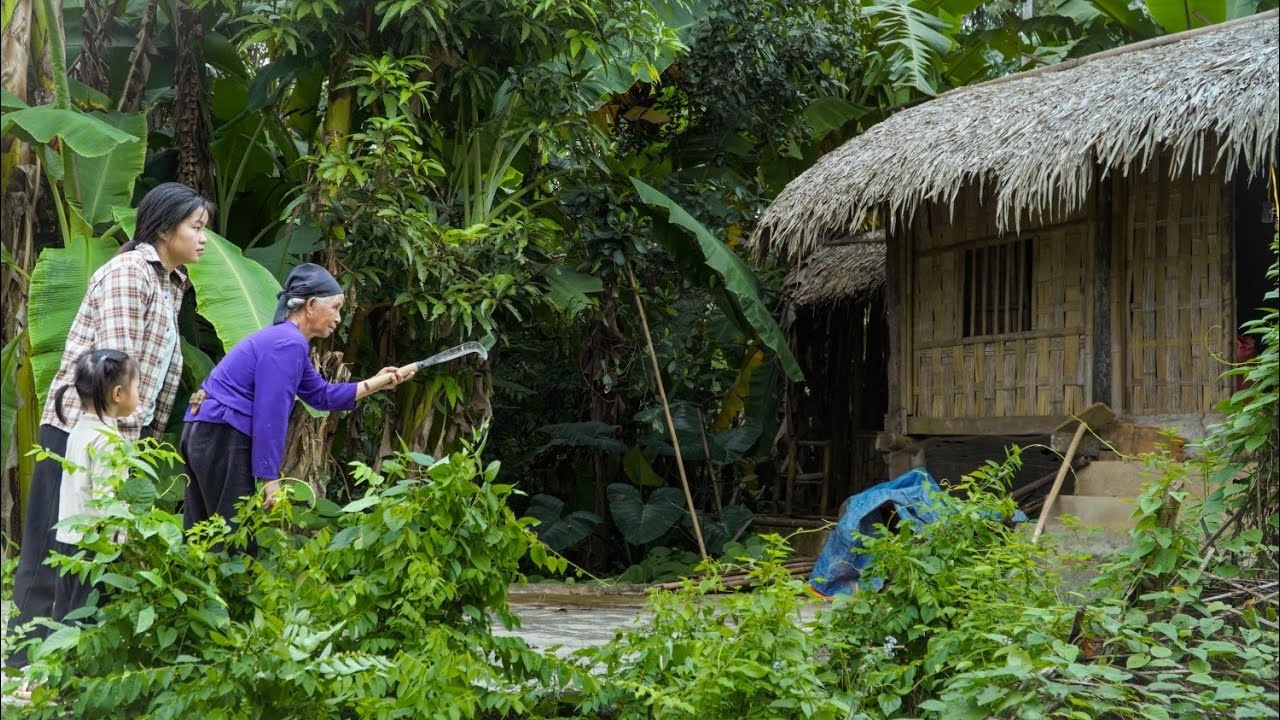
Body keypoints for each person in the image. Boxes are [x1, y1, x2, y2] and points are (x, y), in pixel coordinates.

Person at [5, 182, 213, 669]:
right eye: (196, 228)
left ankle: (73, 655)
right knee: (55, 541)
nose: (204, 239)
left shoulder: (170, 283)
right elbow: (119, 369)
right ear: (165, 229)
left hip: (117, 436)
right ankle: (24, 657)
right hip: (83, 431)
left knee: (93, 544)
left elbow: (156, 369)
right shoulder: (130, 274)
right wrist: (124, 442)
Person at [181, 263, 413, 548]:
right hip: (221, 433)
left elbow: (322, 396)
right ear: (312, 305)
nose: (339, 318)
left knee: (202, 535)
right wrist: (269, 478)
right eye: (336, 307)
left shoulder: (288, 341)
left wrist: (379, 381)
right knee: (234, 542)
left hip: (203, 430)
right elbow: (271, 413)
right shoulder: (287, 343)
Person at [48, 349, 141, 621]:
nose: (139, 393)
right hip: (96, 549)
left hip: (68, 541)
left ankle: (59, 663)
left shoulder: (79, 430)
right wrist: (125, 544)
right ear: (118, 394)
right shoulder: (108, 441)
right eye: (137, 386)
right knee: (91, 622)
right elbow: (106, 499)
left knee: (67, 617)